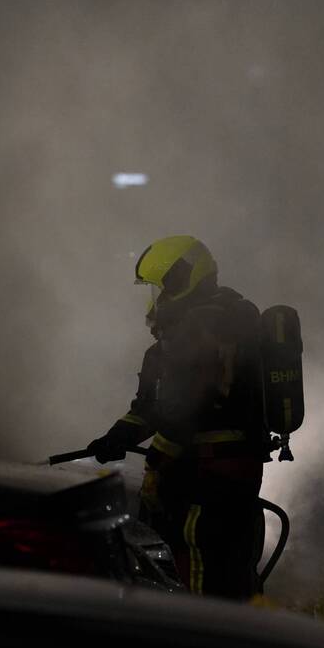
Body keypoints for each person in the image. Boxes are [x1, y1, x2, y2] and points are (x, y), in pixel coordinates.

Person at [88, 236, 266, 600]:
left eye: (163, 287)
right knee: (212, 567)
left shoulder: (204, 329)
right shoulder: (221, 321)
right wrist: (119, 435)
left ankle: (198, 641)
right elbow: (154, 405)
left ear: (185, 279)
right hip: (217, 474)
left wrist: (139, 443)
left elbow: (177, 410)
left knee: (196, 571)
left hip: (204, 478)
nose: (158, 299)